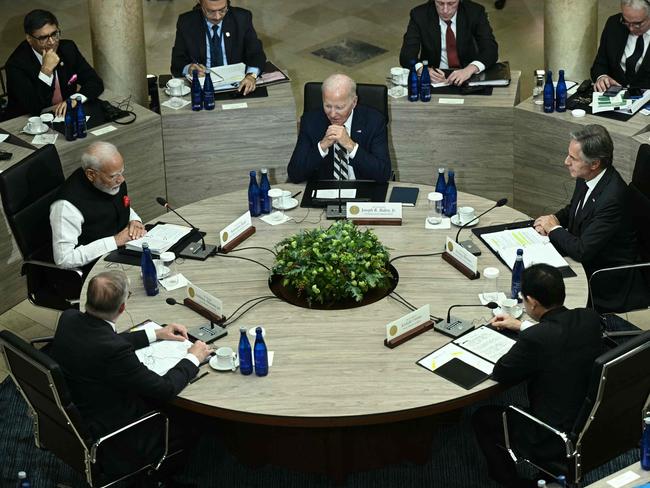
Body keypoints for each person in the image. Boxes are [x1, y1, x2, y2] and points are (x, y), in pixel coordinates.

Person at [49, 270, 211, 477]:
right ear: (123, 307)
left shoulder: (68, 318)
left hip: (76, 412)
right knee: (194, 419)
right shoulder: (114, 351)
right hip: (113, 428)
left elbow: (101, 340)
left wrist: (156, 333)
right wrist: (193, 357)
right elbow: (165, 389)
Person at [472, 264, 602, 488]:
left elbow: (502, 371)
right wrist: (524, 326)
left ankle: (510, 481)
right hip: (591, 421)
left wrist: (528, 333)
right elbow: (558, 337)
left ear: (532, 302)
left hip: (550, 436)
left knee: (482, 418)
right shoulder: (589, 318)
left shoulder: (537, 339)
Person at [534, 124, 646, 312]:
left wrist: (554, 229)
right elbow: (574, 209)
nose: (566, 162)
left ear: (595, 164)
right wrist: (552, 219)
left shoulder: (612, 198)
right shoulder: (588, 176)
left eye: (573, 158)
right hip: (585, 257)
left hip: (604, 278)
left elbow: (582, 251)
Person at [49, 141, 146, 271]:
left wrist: (134, 220)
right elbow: (64, 259)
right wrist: (115, 241)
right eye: (113, 176)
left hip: (120, 254)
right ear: (91, 174)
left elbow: (121, 204)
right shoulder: (66, 207)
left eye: (121, 172)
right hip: (93, 268)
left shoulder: (113, 181)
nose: (121, 180)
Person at [287, 73, 391, 183]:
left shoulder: (374, 121)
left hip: (363, 189)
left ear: (354, 102)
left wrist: (351, 146)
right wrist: (322, 146)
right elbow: (294, 174)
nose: (332, 114)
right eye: (327, 106)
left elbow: (383, 174)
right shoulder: (310, 121)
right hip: (324, 190)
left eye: (339, 107)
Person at [5, 9, 104, 119]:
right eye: (43, 38)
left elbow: (95, 82)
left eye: (54, 34)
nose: (52, 42)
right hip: (25, 122)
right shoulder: (16, 65)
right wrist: (46, 71)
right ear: (29, 38)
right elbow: (35, 107)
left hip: (63, 115)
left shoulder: (68, 48)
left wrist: (75, 99)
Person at [170, 0, 266, 96]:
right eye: (210, 11)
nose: (217, 17)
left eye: (222, 10)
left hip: (238, 85)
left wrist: (251, 76)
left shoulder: (242, 18)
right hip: (203, 88)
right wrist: (189, 68)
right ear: (200, 4)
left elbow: (256, 53)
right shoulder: (186, 22)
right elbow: (177, 61)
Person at [399, 0, 498, 86]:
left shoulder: (475, 12)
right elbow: (406, 55)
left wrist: (470, 69)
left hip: (467, 73)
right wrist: (422, 70)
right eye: (440, 3)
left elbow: (491, 49)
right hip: (435, 75)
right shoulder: (419, 14)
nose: (445, 10)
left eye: (451, 3)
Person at [592, 0, 650, 92]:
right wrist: (601, 77)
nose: (631, 28)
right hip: (615, 97)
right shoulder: (614, 24)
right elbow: (600, 64)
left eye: (637, 24)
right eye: (626, 21)